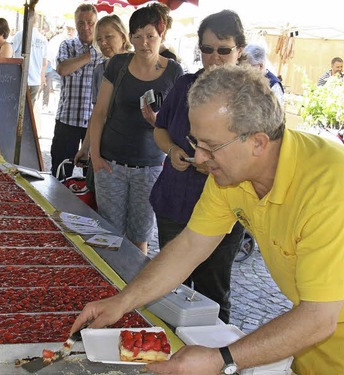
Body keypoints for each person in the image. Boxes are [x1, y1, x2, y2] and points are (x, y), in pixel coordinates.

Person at [72, 64, 344, 374]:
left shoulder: (330, 186)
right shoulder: (230, 173)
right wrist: (122, 302)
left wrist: (222, 359)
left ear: (259, 142)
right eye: (195, 141)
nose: (199, 157)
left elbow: (319, 318)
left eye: (211, 146)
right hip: (311, 342)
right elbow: (190, 245)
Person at [147, 9, 246, 323]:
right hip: (175, 202)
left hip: (225, 208)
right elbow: (160, 129)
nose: (214, 57)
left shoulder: (250, 96)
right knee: (169, 287)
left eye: (223, 50)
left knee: (212, 293)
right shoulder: (184, 85)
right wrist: (173, 149)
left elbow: (258, 156)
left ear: (239, 50)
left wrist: (218, 164)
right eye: (206, 49)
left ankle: (211, 360)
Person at [88, 4, 184, 254]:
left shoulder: (174, 71)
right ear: (130, 37)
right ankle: (108, 284)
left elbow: (178, 124)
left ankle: (131, 288)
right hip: (110, 164)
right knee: (109, 234)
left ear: (161, 37)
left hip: (150, 166)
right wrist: (95, 157)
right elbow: (99, 113)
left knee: (139, 236)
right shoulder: (118, 64)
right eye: (138, 36)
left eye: (151, 36)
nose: (144, 43)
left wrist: (157, 122)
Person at [73, 14, 132, 166]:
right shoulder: (100, 70)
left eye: (109, 37)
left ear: (123, 37)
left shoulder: (137, 67)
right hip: (105, 147)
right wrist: (86, 148)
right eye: (99, 39)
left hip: (132, 149)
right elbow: (97, 113)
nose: (103, 43)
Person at [50, 4, 100, 179]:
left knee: (93, 178)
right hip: (67, 120)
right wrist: (92, 54)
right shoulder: (68, 45)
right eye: (81, 23)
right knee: (60, 173)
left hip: (96, 124)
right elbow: (63, 69)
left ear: (96, 22)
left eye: (90, 22)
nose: (85, 27)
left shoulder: (107, 48)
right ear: (75, 23)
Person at [12, 16, 48, 101]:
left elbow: (10, 51)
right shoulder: (43, 39)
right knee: (29, 111)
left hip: (21, 79)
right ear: (37, 22)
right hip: (35, 81)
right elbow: (44, 62)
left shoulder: (21, 35)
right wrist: (41, 77)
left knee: (15, 110)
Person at [42, 22, 76, 113]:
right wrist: (44, 72)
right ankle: (57, 109)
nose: (70, 31)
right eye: (69, 29)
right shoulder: (57, 40)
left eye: (72, 29)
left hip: (70, 73)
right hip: (55, 70)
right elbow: (48, 57)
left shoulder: (76, 41)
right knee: (57, 91)